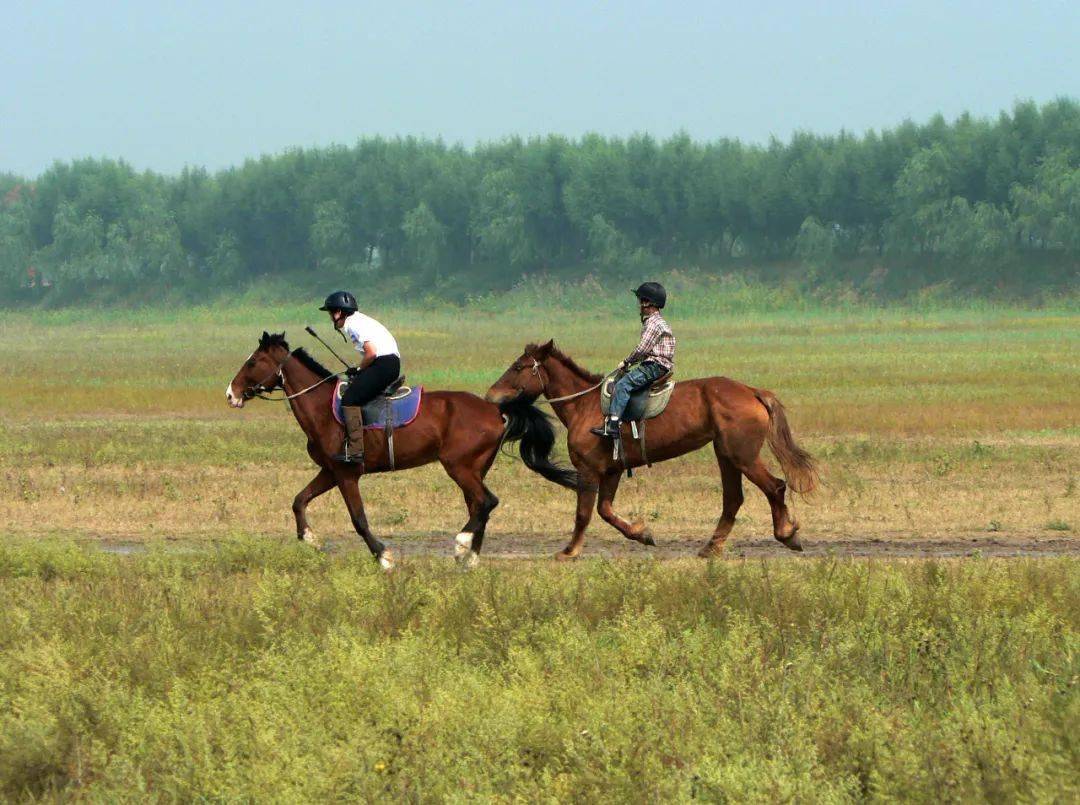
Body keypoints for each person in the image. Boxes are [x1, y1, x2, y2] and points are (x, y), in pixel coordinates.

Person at [319, 291, 402, 466]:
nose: (330, 318)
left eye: (330, 313)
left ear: (339, 312)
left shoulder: (352, 324)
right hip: (388, 362)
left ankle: (356, 451)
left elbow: (371, 353)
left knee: (349, 399)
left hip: (383, 364)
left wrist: (358, 369)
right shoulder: (359, 320)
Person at [590, 282, 675, 439]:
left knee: (623, 385)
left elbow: (642, 349)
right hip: (658, 364)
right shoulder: (658, 321)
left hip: (654, 366)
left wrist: (626, 362)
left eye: (641, 301)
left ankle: (613, 425)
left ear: (647, 303)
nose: (639, 306)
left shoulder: (653, 323)